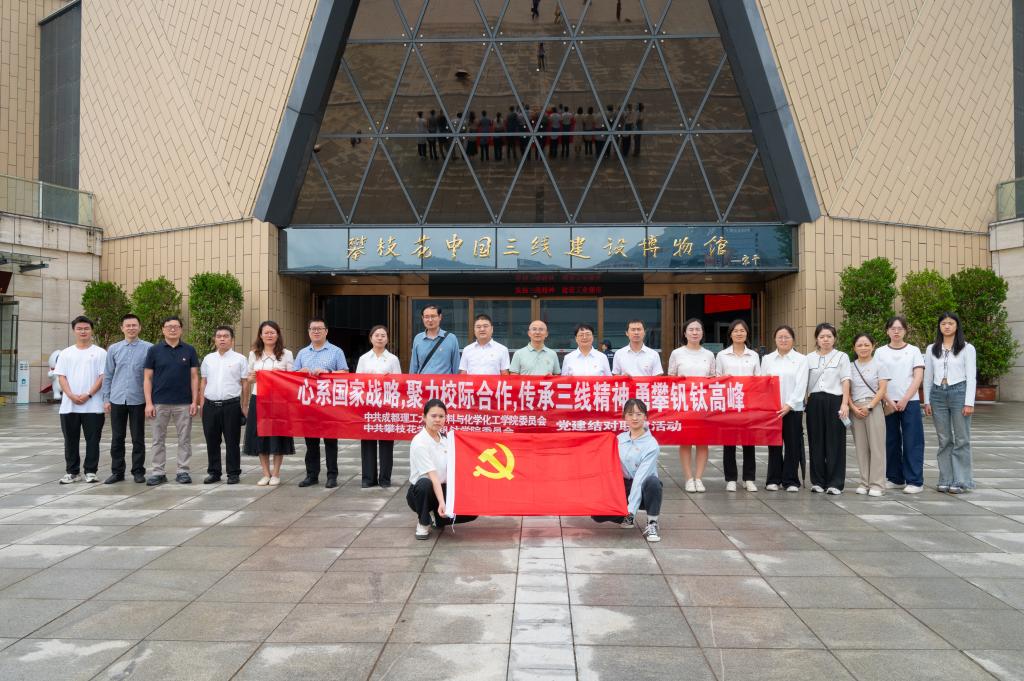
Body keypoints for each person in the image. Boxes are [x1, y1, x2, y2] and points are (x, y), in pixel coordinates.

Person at [591, 399, 662, 543]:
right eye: (630, 414)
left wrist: (631, 510)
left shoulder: (651, 445)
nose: (634, 418)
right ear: (624, 417)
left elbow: (640, 479)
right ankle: (625, 517)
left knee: (653, 482)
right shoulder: (619, 439)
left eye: (639, 414)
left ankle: (652, 522)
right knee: (597, 514)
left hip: (644, 488)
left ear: (645, 416)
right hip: (623, 486)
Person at [923, 312, 977, 494]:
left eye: (950, 323)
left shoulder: (967, 348)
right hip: (938, 394)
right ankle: (945, 479)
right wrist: (927, 400)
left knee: (962, 438)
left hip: (959, 392)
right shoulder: (932, 349)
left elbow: (971, 377)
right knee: (944, 439)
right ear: (939, 327)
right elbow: (928, 376)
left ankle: (961, 480)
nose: (947, 326)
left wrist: (969, 402)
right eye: (943, 323)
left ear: (957, 326)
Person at [407, 399, 477, 539]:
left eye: (441, 416)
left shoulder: (446, 440)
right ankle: (423, 522)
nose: (437, 420)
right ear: (424, 417)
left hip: (443, 488)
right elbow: (433, 477)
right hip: (422, 493)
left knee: (472, 511)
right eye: (433, 416)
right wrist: (442, 503)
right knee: (424, 484)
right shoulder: (420, 442)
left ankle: (436, 518)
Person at [294, 317, 349, 488]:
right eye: (313, 329)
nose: (316, 331)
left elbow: (345, 373)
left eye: (319, 328)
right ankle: (312, 475)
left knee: (330, 441)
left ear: (326, 331)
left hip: (329, 404)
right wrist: (300, 372)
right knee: (311, 442)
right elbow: (293, 377)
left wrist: (328, 373)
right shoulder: (302, 353)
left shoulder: (336, 351)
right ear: (308, 332)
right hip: (308, 404)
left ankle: (332, 475)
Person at [144, 316, 199, 486]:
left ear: (181, 330)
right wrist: (148, 403)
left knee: (184, 439)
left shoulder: (189, 350)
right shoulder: (154, 350)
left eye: (176, 326)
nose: (172, 329)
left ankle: (183, 471)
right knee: (157, 439)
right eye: (169, 326)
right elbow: (147, 378)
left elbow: (194, 377)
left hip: (184, 403)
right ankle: (158, 472)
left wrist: (194, 401)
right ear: (163, 330)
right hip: (159, 402)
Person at [875, 315, 926, 493]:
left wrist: (905, 399)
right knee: (890, 440)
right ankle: (895, 477)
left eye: (900, 328)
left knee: (913, 440)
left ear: (905, 331)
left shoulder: (913, 350)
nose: (896, 332)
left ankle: (915, 481)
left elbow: (918, 377)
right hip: (887, 401)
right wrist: (888, 399)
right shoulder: (880, 352)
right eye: (893, 328)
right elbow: (878, 378)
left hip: (910, 401)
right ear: (887, 331)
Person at [54, 316, 107, 484]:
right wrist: (70, 395)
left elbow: (102, 377)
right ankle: (72, 472)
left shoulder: (100, 353)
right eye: (79, 328)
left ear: (91, 330)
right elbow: (61, 376)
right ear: (74, 331)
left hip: (94, 405)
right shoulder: (66, 353)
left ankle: (91, 471)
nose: (83, 331)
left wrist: (88, 394)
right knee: (70, 440)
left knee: (93, 440)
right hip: (69, 406)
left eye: (86, 328)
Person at [101, 313, 152, 484]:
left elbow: (152, 376)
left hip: (138, 399)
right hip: (117, 399)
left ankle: (138, 471)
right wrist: (106, 398)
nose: (131, 328)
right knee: (117, 438)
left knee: (138, 438)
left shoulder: (149, 348)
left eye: (134, 325)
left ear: (140, 327)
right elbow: (108, 375)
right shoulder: (114, 349)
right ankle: (117, 472)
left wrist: (151, 401)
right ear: (122, 328)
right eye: (128, 325)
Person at [668, 319, 717, 493]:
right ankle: (689, 478)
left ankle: (699, 478)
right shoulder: (676, 353)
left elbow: (713, 378)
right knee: (686, 441)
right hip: (684, 403)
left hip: (703, 404)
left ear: (702, 333)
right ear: (685, 333)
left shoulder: (709, 355)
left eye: (698, 329)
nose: (695, 332)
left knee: (703, 442)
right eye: (691, 329)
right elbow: (671, 378)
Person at [244, 320, 295, 486]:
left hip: (279, 401)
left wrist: (280, 374)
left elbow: (292, 378)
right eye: (266, 332)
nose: (269, 335)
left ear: (278, 334)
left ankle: (276, 473)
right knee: (261, 436)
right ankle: (265, 473)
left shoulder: (286, 354)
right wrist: (252, 378)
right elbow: (249, 378)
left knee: (278, 436)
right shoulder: (254, 354)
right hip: (259, 398)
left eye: (272, 332)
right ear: (260, 335)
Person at [760, 325, 809, 492]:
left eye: (787, 337)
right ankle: (773, 479)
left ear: (793, 340)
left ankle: (790, 480)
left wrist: (789, 405)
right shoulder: (767, 359)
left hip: (793, 409)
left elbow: (801, 385)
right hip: (773, 409)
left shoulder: (801, 359)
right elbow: (763, 383)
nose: (783, 340)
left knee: (792, 444)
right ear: (775, 339)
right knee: (774, 444)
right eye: (780, 337)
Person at [199, 325, 248, 485]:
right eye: (219, 336)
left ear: (232, 340)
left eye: (226, 336)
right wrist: (202, 403)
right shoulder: (208, 359)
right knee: (212, 441)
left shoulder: (240, 359)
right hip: (210, 405)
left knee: (232, 441)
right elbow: (203, 381)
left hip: (231, 406)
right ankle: (214, 472)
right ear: (215, 339)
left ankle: (233, 473)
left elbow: (245, 383)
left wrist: (244, 405)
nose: (222, 339)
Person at [805, 323, 851, 495]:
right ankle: (818, 481)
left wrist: (844, 404)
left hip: (835, 401)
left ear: (834, 338)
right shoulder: (808, 358)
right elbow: (804, 381)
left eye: (829, 336)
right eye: (822, 336)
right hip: (815, 401)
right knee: (816, 441)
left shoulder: (842, 357)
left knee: (835, 442)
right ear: (817, 339)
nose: (825, 340)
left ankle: (835, 483)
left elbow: (845, 381)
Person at [715, 319, 760, 491]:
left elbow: (758, 379)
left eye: (742, 330)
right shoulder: (722, 355)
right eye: (735, 331)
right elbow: (717, 379)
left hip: (748, 404)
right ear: (730, 334)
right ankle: (731, 478)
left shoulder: (754, 355)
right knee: (729, 442)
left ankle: (749, 478)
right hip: (729, 404)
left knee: (749, 442)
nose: (739, 333)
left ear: (747, 334)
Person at [356, 325, 401, 489]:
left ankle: (385, 478)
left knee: (386, 443)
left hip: (386, 406)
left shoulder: (393, 359)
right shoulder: (363, 359)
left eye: (383, 335)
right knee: (368, 442)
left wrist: (388, 379)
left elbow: (399, 383)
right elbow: (358, 382)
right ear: (371, 338)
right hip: (368, 405)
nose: (380, 338)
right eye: (377, 335)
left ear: (387, 339)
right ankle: (368, 478)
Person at [849, 333, 889, 497]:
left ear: (873, 346)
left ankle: (877, 484)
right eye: (859, 345)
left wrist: (870, 406)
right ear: (854, 348)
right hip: (855, 409)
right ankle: (864, 482)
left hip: (873, 407)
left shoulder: (880, 365)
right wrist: (853, 407)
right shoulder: (850, 366)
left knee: (877, 447)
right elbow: (846, 389)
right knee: (861, 448)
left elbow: (882, 389)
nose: (863, 348)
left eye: (867, 345)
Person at [410, 304, 460, 374]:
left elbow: (456, 366)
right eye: (426, 317)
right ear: (422, 318)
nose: (430, 320)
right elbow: (413, 367)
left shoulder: (451, 338)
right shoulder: (418, 338)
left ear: (440, 317)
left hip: (444, 381)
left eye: (433, 316)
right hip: (423, 380)